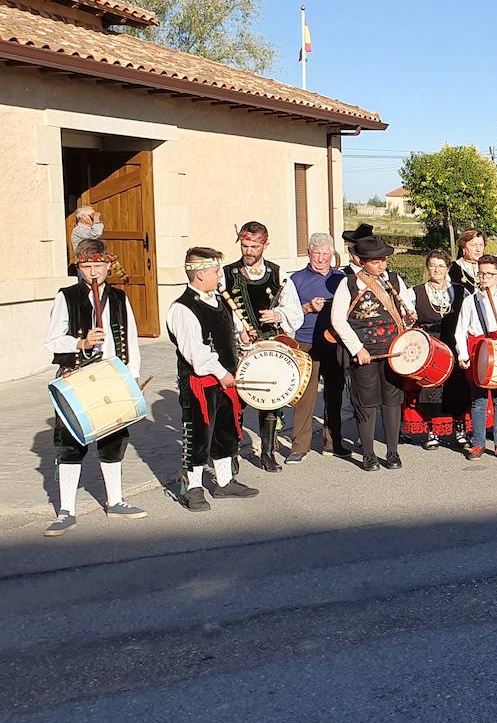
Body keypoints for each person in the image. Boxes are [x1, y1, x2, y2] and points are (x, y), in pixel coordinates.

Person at [42, 239, 146, 535]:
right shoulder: (67, 296)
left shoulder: (119, 297)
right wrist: (81, 342)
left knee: (114, 436)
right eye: (86, 267)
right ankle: (66, 510)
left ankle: (115, 501)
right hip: (75, 378)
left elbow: (133, 339)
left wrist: (133, 376)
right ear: (79, 267)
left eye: (97, 266)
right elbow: (52, 339)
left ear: (108, 266)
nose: (92, 272)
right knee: (70, 443)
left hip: (112, 377)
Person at [166, 247, 259, 510]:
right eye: (216, 271)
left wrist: (243, 340)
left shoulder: (220, 302)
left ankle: (224, 481)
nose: (220, 276)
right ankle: (193, 487)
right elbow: (196, 352)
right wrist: (221, 373)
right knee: (199, 433)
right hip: (201, 383)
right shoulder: (183, 308)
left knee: (225, 429)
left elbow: (227, 338)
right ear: (199, 275)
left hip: (226, 380)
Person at [330, 235, 415, 472]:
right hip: (365, 353)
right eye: (376, 261)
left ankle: (393, 452)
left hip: (393, 351)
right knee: (366, 403)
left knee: (392, 401)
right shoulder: (348, 283)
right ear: (364, 262)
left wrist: (409, 320)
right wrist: (358, 349)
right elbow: (338, 320)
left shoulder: (395, 281)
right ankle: (368, 454)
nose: (382, 265)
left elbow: (407, 311)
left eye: (384, 260)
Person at [223, 222, 302, 472]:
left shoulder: (278, 274)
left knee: (269, 398)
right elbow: (220, 313)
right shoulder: (227, 273)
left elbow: (294, 310)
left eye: (254, 246)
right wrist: (239, 332)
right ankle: (231, 453)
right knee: (235, 402)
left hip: (269, 346)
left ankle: (267, 452)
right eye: (245, 246)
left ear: (265, 245)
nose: (248, 251)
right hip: (238, 347)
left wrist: (277, 316)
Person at [285, 233, 347, 462]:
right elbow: (287, 314)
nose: (321, 258)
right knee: (305, 396)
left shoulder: (341, 278)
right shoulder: (296, 279)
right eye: (316, 253)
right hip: (305, 342)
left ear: (332, 254)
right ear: (309, 253)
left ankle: (334, 442)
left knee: (335, 394)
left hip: (334, 343)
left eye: (325, 253)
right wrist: (307, 307)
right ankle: (299, 446)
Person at [455, 255, 497, 459]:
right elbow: (461, 330)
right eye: (481, 273)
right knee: (479, 400)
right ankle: (478, 443)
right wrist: (462, 354)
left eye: (489, 274)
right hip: (478, 351)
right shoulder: (470, 300)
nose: (484, 278)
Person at [402, 250, 466, 451]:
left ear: (448, 268)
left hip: (453, 342)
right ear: (427, 267)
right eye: (433, 265)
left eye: (441, 265)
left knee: (457, 387)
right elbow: (406, 321)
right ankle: (432, 431)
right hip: (430, 345)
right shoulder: (416, 291)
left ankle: (460, 429)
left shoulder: (461, 291)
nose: (437, 269)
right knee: (430, 388)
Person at [450, 229, 485, 297]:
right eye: (473, 245)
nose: (478, 249)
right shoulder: (452, 269)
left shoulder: (489, 268)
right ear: (463, 247)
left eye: (481, 245)